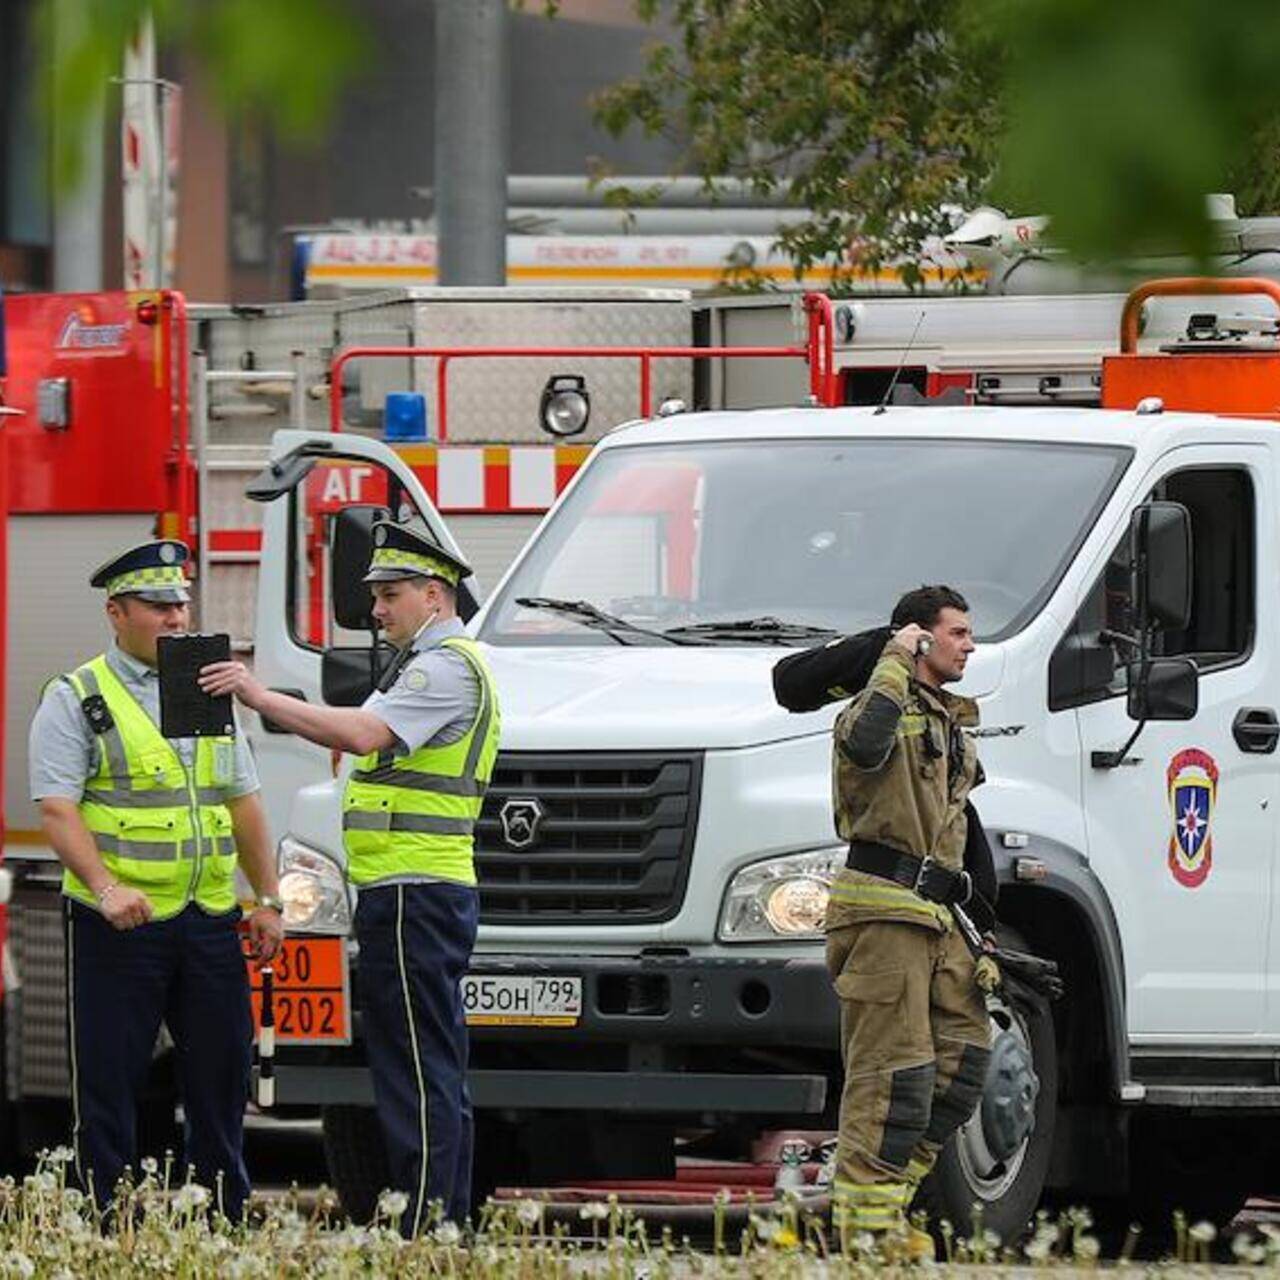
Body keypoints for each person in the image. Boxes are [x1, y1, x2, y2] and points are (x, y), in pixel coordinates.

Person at [199, 520, 500, 1234]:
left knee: (414, 1069)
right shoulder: (430, 666)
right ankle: (441, 1216)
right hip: (412, 891)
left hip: (413, 892)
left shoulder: (443, 667)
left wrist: (260, 696)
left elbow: (362, 735)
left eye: (390, 594)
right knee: (429, 1063)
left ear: (434, 594)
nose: (376, 610)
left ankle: (426, 1223)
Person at [28, 539, 283, 1221]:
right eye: (158, 605)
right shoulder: (79, 696)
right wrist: (107, 888)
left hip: (206, 917)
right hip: (120, 924)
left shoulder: (202, 685)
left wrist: (267, 899)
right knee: (109, 1086)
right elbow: (57, 808)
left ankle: (219, 1224)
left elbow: (243, 801)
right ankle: (105, 1227)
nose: (176, 617)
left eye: (182, 603)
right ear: (117, 613)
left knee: (221, 1083)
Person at [824, 584, 993, 1258]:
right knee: (895, 1076)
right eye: (956, 633)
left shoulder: (949, 718)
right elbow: (865, 746)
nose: (970, 644)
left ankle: (885, 1203)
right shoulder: (878, 703)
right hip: (882, 913)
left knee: (965, 1063)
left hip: (938, 916)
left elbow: (959, 828)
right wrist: (893, 661)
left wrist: (981, 926)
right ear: (919, 638)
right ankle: (865, 1232)